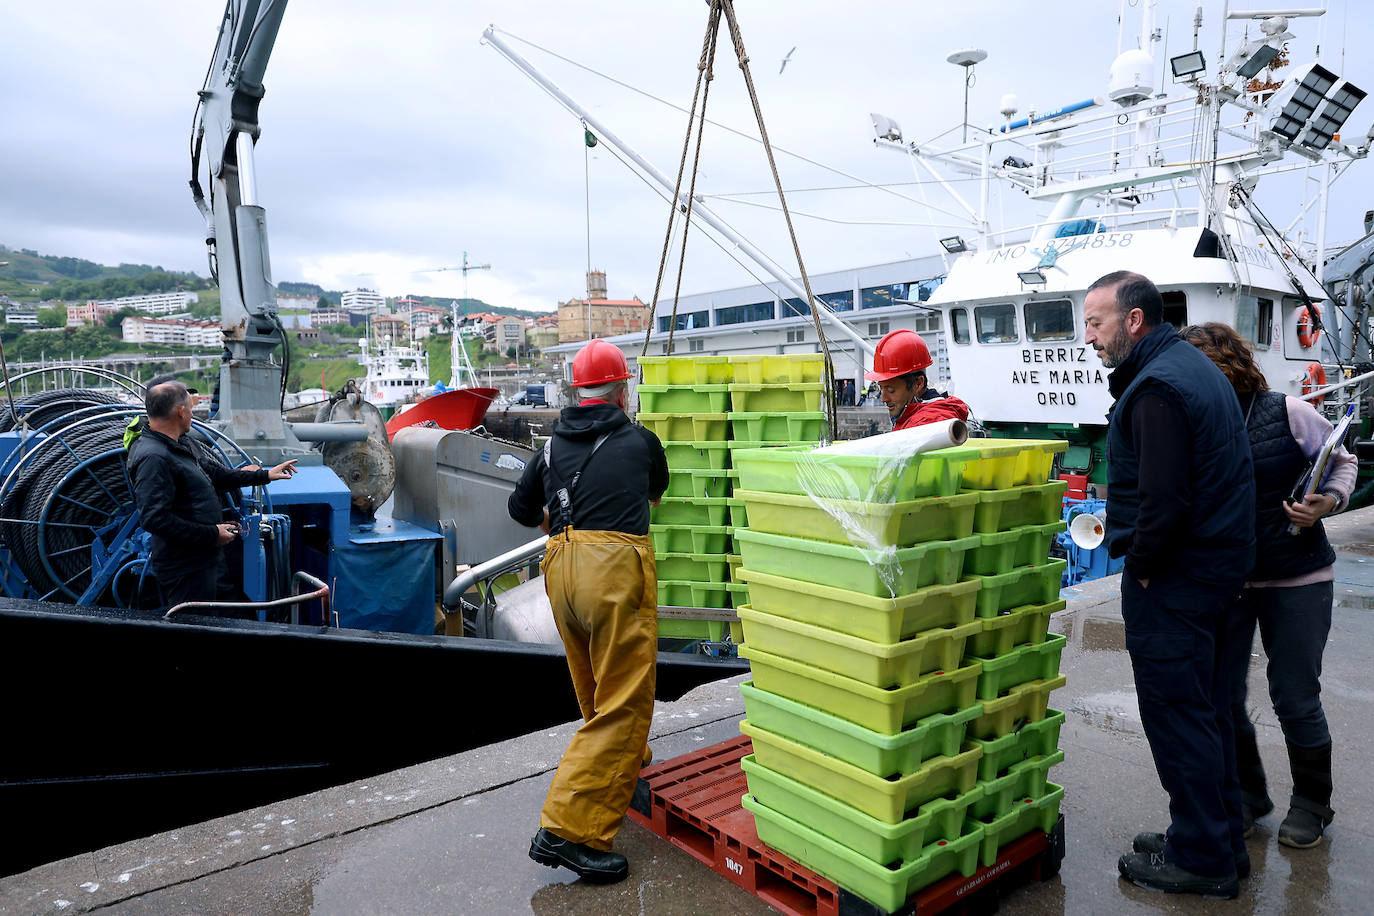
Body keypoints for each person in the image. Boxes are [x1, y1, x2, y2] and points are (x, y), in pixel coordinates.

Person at [1084, 271, 1255, 898]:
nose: (1089, 338)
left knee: (1178, 716)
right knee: (1207, 712)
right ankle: (1215, 838)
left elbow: (1163, 501)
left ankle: (1202, 857)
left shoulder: (1156, 389)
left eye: (1096, 323)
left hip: (1178, 582)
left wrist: (1146, 565)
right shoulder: (1189, 367)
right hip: (1217, 572)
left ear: (1133, 321)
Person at [1181, 322, 1355, 849]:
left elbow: (1341, 460)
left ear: (1226, 366)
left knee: (1295, 695)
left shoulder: (1287, 412)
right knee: (1224, 696)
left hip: (1298, 576)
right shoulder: (1190, 423)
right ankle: (1248, 796)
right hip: (1229, 581)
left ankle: (1312, 804)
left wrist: (1328, 502)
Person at [508, 338, 668, 884]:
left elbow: (520, 509)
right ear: (622, 389)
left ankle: (625, 769)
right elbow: (654, 495)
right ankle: (567, 831)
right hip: (613, 568)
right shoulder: (641, 441)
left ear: (577, 392)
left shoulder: (549, 449)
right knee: (624, 702)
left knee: (596, 690)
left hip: (560, 569)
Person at [127, 379, 297, 609]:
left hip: (205, 558)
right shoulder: (153, 458)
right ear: (180, 412)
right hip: (185, 566)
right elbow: (154, 518)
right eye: (190, 409)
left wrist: (265, 475)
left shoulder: (181, 444)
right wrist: (211, 534)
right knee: (194, 624)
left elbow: (217, 475)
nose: (192, 415)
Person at [863, 329, 969, 429]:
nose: (883, 398)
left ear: (918, 383)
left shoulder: (924, 425)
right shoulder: (924, 414)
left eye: (891, 390)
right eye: (881, 389)